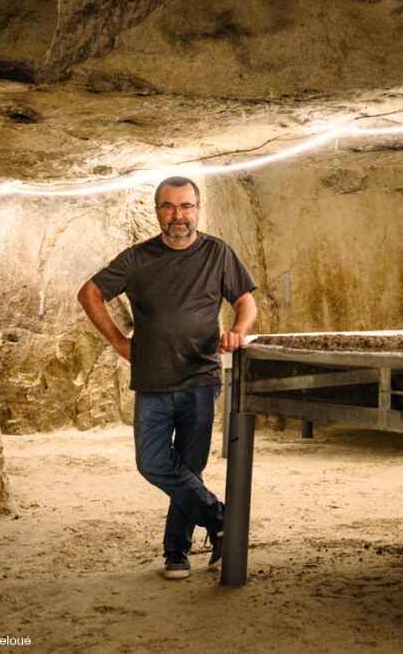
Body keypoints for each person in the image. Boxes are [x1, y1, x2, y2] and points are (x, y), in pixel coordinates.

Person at [77, 176, 257, 580]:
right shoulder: (137, 258)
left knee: (189, 468)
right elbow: (90, 293)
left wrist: (238, 331)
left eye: (186, 206)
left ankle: (176, 552)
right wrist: (118, 341)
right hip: (153, 381)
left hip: (201, 378)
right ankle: (222, 519)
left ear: (197, 209)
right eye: (169, 206)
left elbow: (246, 303)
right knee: (153, 462)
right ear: (157, 211)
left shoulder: (217, 252)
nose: (179, 215)